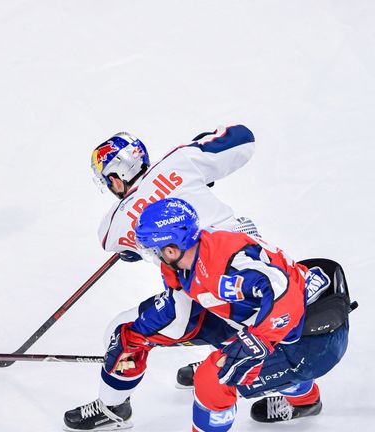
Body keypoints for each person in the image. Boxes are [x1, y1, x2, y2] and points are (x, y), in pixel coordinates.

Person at [64, 125, 258, 430]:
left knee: (122, 333)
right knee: (266, 319)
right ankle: (297, 394)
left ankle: (113, 408)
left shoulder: (116, 223)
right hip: (257, 270)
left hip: (201, 290)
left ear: (116, 179)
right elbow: (243, 139)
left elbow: (115, 242)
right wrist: (199, 152)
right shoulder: (180, 161)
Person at [102, 198, 350, 431]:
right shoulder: (191, 259)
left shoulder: (224, 267)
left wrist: (257, 343)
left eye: (152, 250)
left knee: (212, 381)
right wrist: (134, 335)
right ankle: (306, 402)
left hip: (314, 342)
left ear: (170, 250)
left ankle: (299, 389)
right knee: (224, 336)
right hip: (286, 323)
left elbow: (284, 293)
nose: (151, 255)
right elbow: (177, 311)